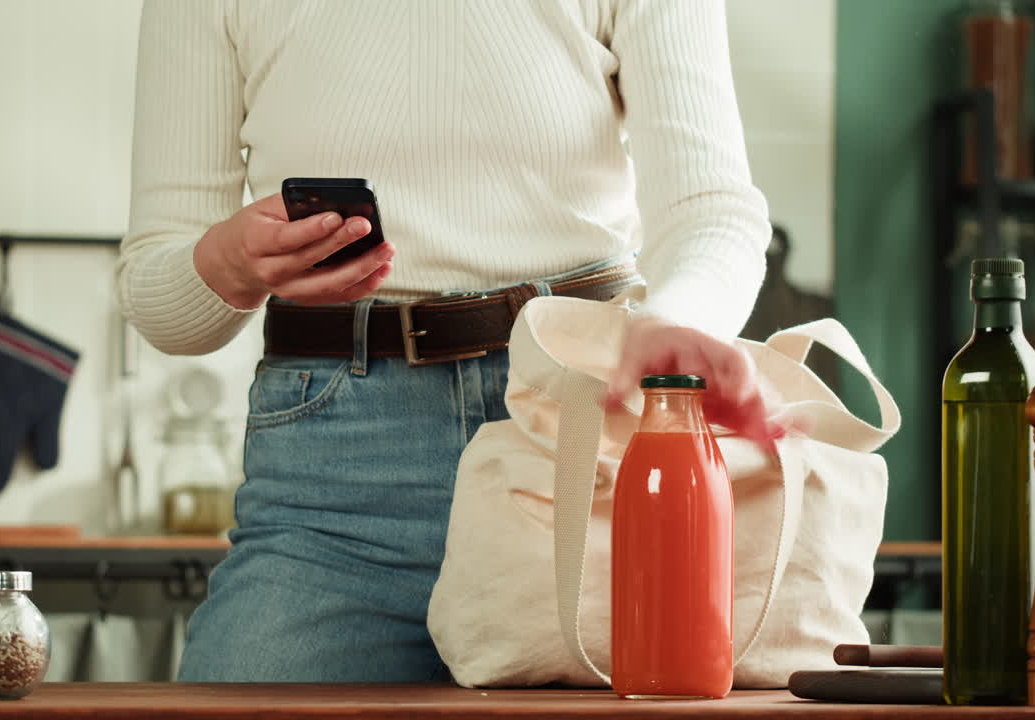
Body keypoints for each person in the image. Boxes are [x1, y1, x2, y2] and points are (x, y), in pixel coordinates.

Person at [118, 0, 779, 683]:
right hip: (335, 498)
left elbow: (712, 212)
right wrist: (227, 262)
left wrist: (674, 321)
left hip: (579, 442)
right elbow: (167, 308)